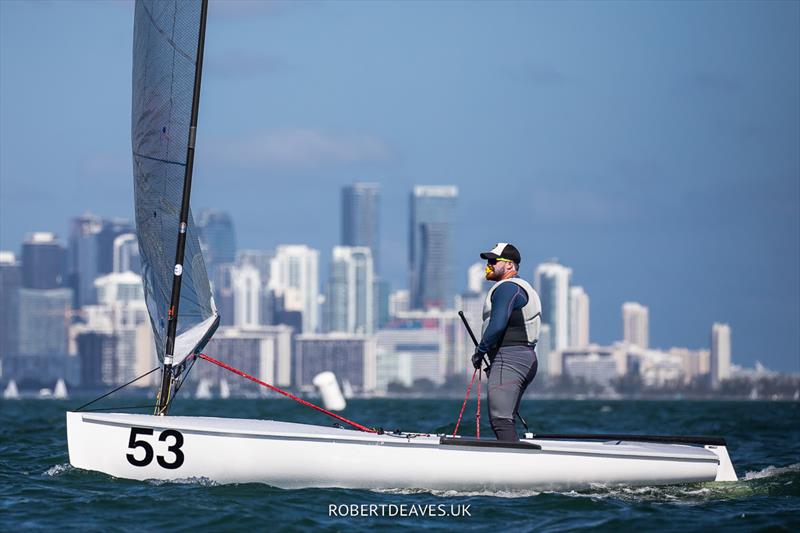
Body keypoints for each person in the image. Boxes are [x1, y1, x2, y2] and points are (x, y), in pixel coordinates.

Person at [472, 243, 542, 442]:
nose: (489, 265)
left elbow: (498, 324)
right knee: (506, 418)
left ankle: (517, 468)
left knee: (501, 420)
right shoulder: (519, 287)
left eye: (494, 261)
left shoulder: (507, 288)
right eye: (488, 261)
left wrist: (480, 351)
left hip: (510, 358)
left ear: (510, 265)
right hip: (522, 358)